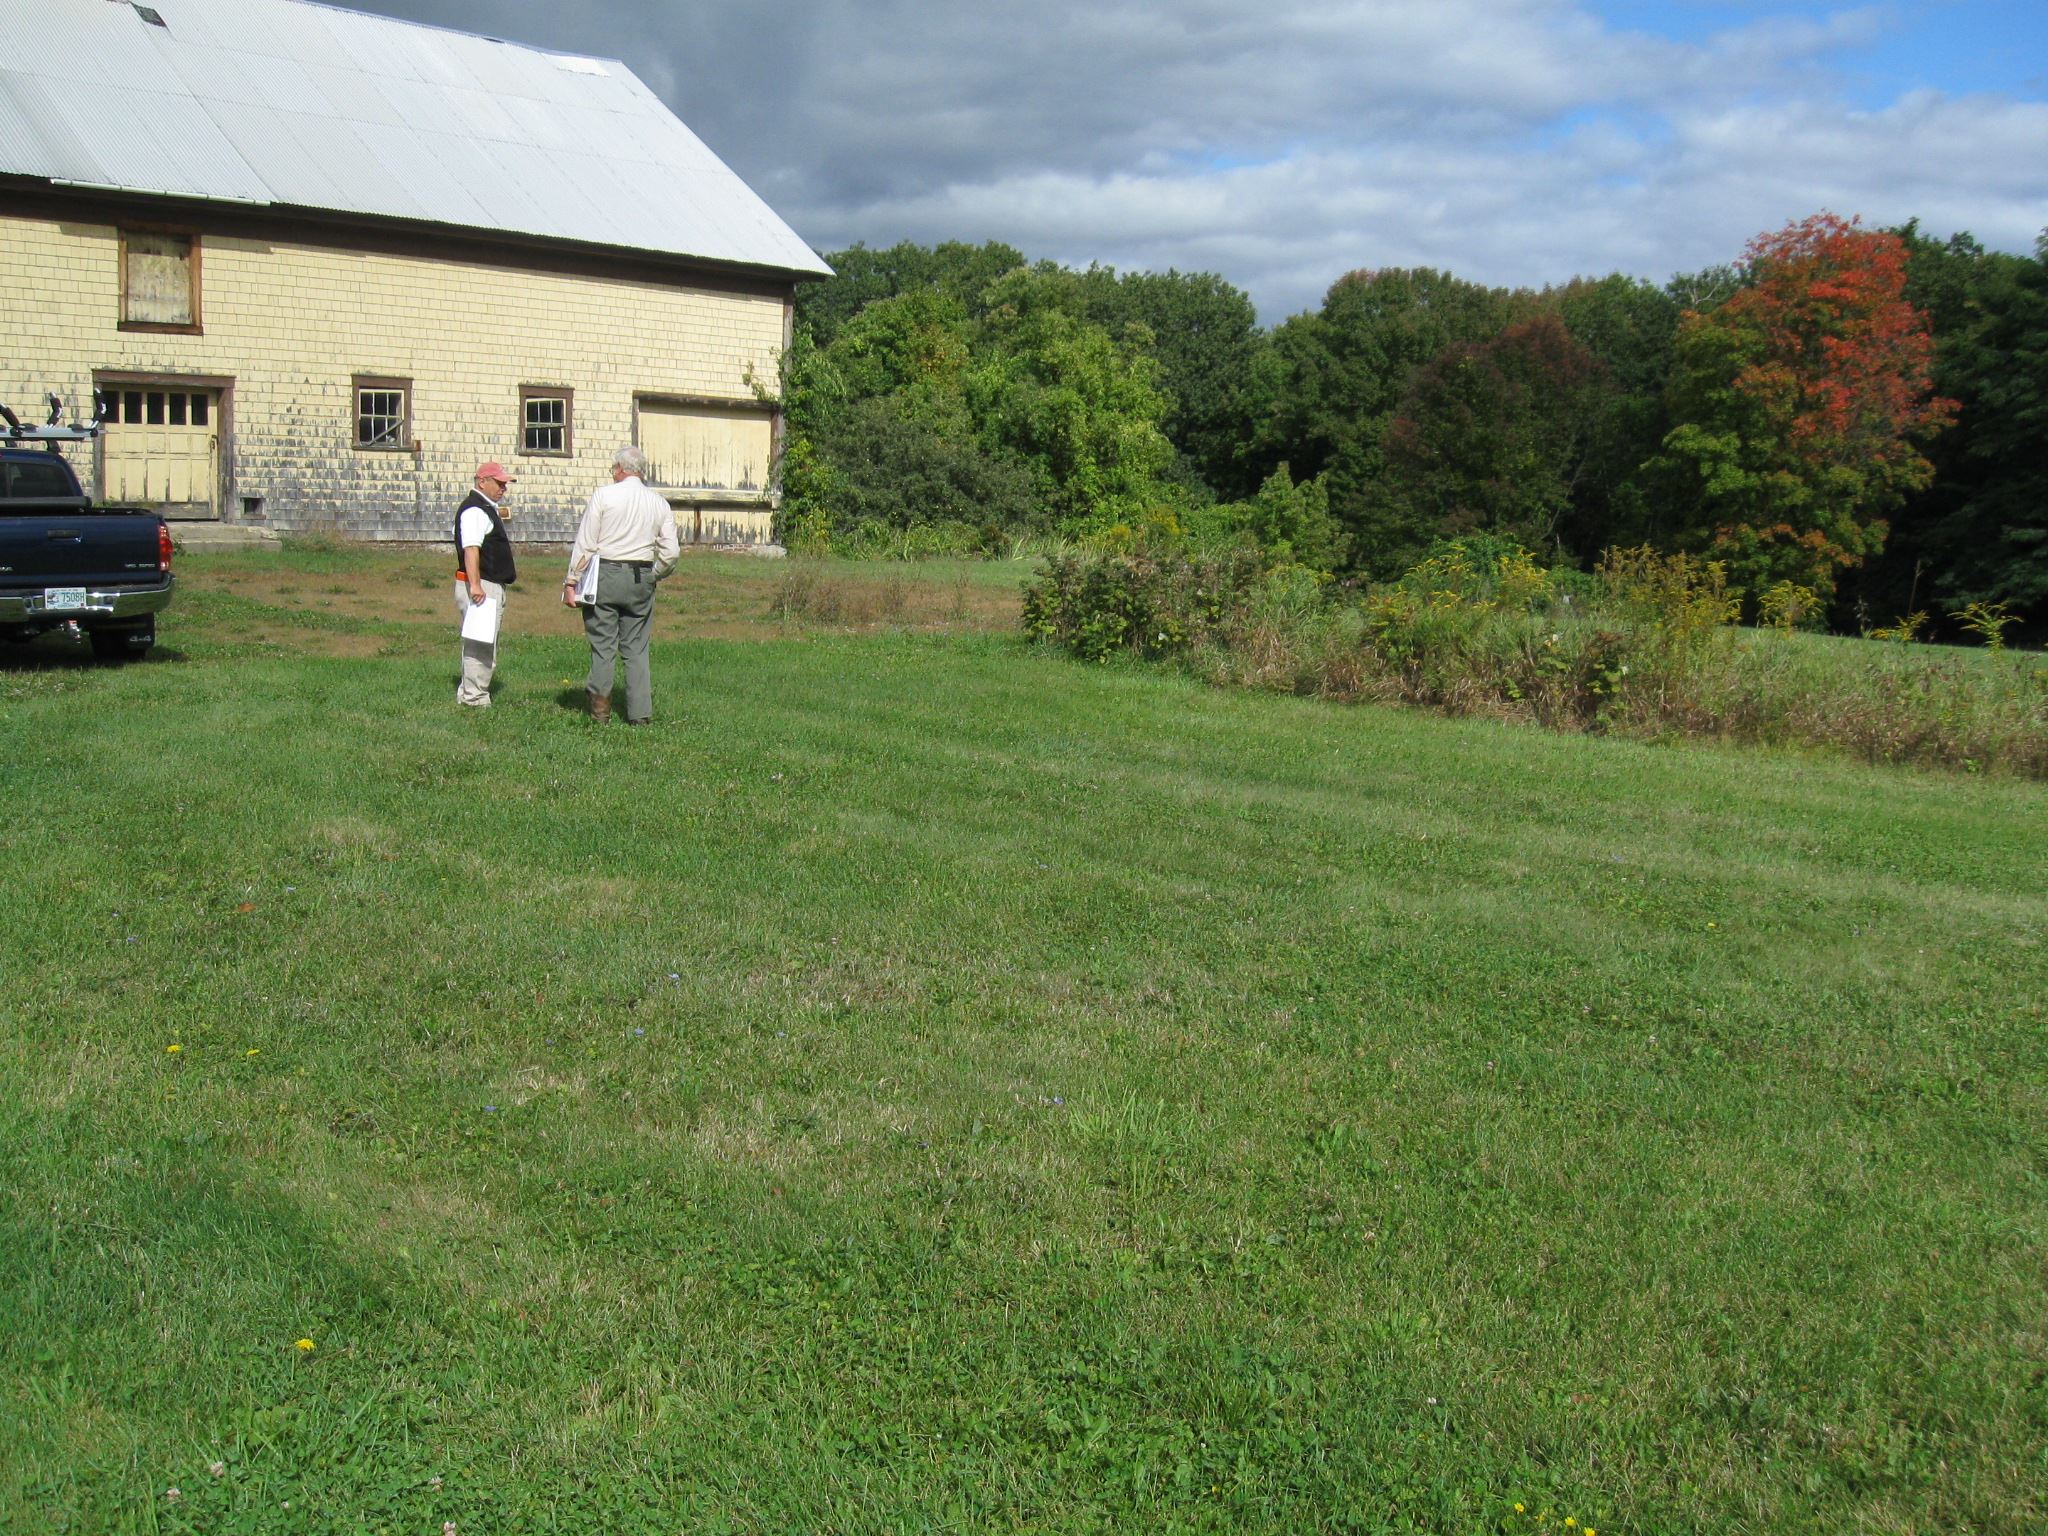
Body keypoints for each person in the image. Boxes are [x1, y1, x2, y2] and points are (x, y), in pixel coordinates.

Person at [562, 445, 681, 724]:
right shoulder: (658, 502)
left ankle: (600, 712)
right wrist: (656, 573)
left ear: (620, 468)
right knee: (636, 648)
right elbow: (671, 551)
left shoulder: (604, 495)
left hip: (606, 574)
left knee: (603, 644)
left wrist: (572, 582)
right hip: (641, 575)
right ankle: (640, 714)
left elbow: (587, 543)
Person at [453, 461, 518, 708]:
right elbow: (471, 549)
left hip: (486, 584)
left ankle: (469, 691)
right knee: (481, 643)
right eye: (499, 483)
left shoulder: (483, 508)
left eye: (505, 484)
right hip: (483, 586)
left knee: (478, 640)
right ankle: (475, 697)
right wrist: (476, 585)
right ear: (482, 482)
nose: (504, 488)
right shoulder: (475, 510)